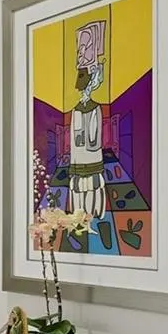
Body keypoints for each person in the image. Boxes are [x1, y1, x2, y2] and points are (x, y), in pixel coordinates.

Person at [69, 20, 108, 222]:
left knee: (92, 185)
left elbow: (94, 138)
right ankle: (79, 213)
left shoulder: (95, 109)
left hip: (90, 155)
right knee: (79, 185)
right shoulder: (76, 111)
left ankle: (92, 213)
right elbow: (76, 138)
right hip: (78, 156)